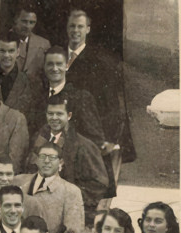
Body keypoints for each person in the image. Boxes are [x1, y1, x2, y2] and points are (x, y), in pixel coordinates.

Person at [64, 9, 135, 208]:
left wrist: (108, 139)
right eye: (72, 26)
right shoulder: (59, 58)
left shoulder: (99, 61)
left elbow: (112, 104)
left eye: (80, 26)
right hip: (68, 136)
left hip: (93, 136)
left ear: (88, 29)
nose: (75, 31)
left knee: (96, 197)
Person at [26, 95, 109, 226]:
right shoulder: (38, 139)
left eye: (59, 114)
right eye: (50, 114)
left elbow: (99, 185)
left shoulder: (84, 146)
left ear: (69, 115)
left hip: (68, 212)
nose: (54, 118)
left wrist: (68, 197)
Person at [28, 46, 104, 150]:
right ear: (44, 66)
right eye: (50, 64)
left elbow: (96, 142)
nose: (54, 69)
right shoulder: (37, 97)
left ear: (67, 65)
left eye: (59, 64)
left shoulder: (80, 98)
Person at [21, 142, 88, 233]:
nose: (47, 161)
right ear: (36, 160)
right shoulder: (21, 183)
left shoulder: (70, 191)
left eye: (52, 157)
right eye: (42, 157)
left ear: (60, 162)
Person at [10, 5, 51, 87]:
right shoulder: (3, 42)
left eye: (32, 22)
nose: (28, 26)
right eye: (24, 21)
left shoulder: (44, 44)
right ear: (16, 20)